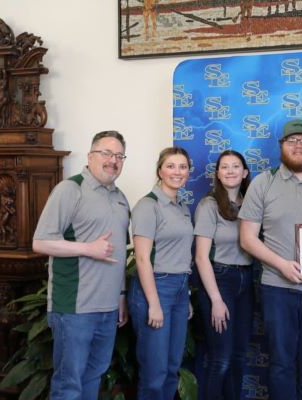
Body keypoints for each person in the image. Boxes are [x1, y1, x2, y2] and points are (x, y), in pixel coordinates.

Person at [239, 119, 302, 400]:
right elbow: (247, 238)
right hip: (277, 288)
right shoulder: (263, 182)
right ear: (281, 146)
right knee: (281, 363)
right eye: (291, 141)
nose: (298, 146)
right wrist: (282, 265)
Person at [32, 130, 130, 400]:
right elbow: (40, 242)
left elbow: (119, 253)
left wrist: (121, 296)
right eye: (106, 153)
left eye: (119, 155)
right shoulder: (70, 189)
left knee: (93, 377)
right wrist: (88, 248)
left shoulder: (120, 198)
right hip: (74, 308)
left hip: (108, 309)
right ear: (90, 156)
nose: (113, 160)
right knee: (68, 385)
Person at [128, 146, 194, 399]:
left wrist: (185, 295)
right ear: (160, 171)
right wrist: (154, 304)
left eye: (183, 167)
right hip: (155, 289)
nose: (177, 172)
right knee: (154, 372)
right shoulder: (148, 205)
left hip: (178, 288)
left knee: (171, 368)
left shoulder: (182, 206)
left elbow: (180, 254)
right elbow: (143, 258)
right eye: (171, 166)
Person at [195, 150, 253, 400]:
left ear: (245, 172)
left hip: (246, 280)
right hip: (220, 280)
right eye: (225, 167)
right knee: (222, 358)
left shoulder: (251, 204)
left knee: (239, 356)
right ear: (217, 173)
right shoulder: (209, 205)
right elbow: (200, 257)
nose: (230, 171)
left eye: (236, 166)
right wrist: (216, 299)